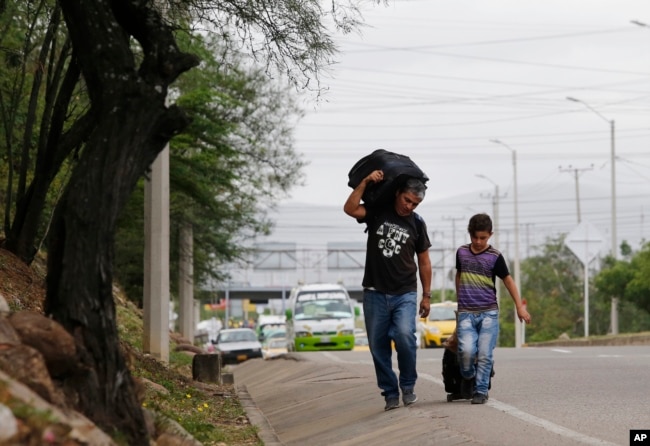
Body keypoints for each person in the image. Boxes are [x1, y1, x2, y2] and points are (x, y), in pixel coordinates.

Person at [344, 169, 432, 411]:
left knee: (404, 336)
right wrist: (364, 182)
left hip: (405, 292)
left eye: (415, 203)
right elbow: (351, 209)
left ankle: (408, 385)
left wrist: (426, 295)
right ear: (397, 193)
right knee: (377, 345)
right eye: (407, 200)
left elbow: (424, 261)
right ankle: (390, 393)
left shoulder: (417, 223)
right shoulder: (378, 211)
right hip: (374, 292)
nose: (409, 206)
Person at [455, 213, 531, 404]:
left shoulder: (494, 257)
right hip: (466, 313)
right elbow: (459, 275)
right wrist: (460, 298)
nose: (479, 242)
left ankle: (481, 390)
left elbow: (508, 280)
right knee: (466, 352)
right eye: (475, 237)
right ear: (469, 234)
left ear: (490, 234)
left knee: (484, 353)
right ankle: (469, 376)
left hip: (488, 312)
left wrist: (519, 307)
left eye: (483, 238)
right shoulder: (461, 253)